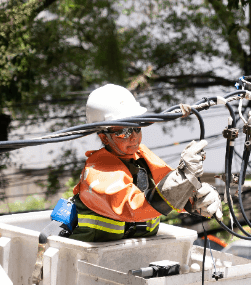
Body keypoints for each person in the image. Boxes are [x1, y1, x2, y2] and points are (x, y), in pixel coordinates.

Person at [67, 84, 222, 242]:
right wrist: (181, 178)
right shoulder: (97, 171)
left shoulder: (140, 155)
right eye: (124, 132)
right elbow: (132, 206)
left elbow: (167, 186)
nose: (134, 137)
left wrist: (195, 199)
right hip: (90, 259)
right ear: (104, 137)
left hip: (137, 256)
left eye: (137, 128)